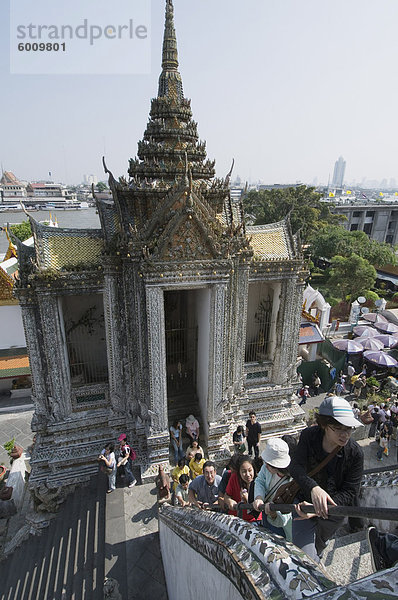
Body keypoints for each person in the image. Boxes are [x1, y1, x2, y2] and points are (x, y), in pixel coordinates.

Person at [290, 396, 364, 563]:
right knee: (305, 558)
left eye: (349, 429)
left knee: (320, 544)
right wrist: (313, 488)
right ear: (324, 425)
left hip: (334, 512)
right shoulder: (309, 436)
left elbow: (351, 491)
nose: (345, 435)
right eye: (338, 428)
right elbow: (296, 467)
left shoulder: (355, 453)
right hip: (303, 505)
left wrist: (321, 508)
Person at [252, 438, 293, 540]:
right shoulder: (266, 468)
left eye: (269, 464)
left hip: (282, 522)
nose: (265, 466)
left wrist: (274, 514)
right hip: (266, 511)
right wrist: (259, 497)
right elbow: (260, 480)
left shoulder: (292, 481)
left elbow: (287, 514)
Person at [224, 455, 260, 522]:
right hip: (236, 519)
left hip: (255, 520)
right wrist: (229, 501)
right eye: (244, 471)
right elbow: (226, 496)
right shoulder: (234, 478)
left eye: (250, 470)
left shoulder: (259, 480)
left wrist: (249, 501)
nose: (248, 475)